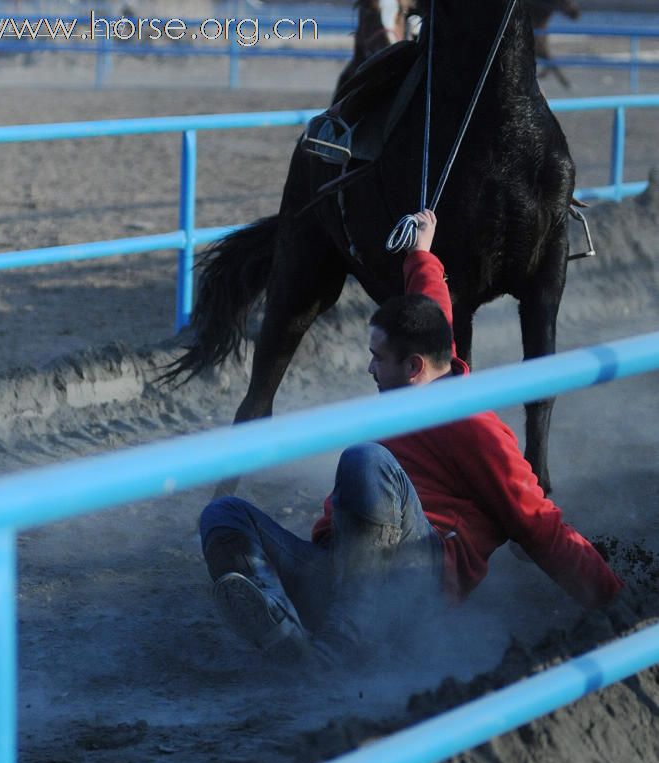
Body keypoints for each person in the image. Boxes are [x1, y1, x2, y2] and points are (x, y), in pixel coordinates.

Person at [199, 209, 623, 662]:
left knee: (366, 462)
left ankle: (341, 646)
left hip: (413, 581)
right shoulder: (425, 369)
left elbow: (541, 525)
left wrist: (618, 608)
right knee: (224, 515)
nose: (369, 368)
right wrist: (421, 252)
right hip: (340, 566)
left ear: (414, 367)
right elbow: (431, 309)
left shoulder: (476, 427)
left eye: (376, 358)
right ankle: (284, 629)